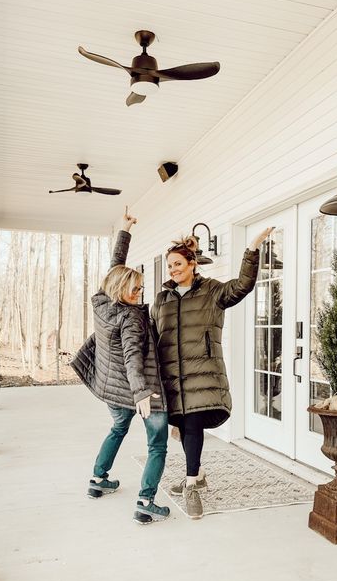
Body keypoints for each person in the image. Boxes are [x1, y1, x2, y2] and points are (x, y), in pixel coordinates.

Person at [151, 226, 274, 519]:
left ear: (192, 264)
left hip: (202, 370)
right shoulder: (162, 298)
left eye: (178, 264)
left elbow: (243, 284)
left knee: (193, 424)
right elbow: (153, 334)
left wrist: (252, 249)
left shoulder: (213, 291)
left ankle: (191, 483)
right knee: (182, 429)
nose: (173, 270)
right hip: (171, 375)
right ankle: (200, 474)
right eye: (170, 266)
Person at [71, 208, 170, 525]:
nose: (140, 292)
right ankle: (146, 501)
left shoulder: (102, 302)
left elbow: (115, 266)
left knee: (118, 427)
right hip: (140, 388)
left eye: (141, 287)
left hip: (111, 387)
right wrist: (143, 393)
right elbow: (133, 358)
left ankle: (98, 480)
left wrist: (124, 231)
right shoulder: (131, 319)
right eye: (135, 289)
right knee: (157, 445)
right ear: (121, 290)